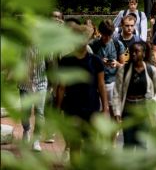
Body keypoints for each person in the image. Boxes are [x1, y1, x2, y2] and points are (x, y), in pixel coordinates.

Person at [56, 25, 108, 168]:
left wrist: (104, 110)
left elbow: (101, 86)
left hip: (91, 108)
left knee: (91, 144)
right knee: (75, 144)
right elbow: (62, 87)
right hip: (72, 108)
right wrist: (58, 109)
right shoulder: (66, 61)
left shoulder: (96, 61)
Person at [113, 42, 156, 152]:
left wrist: (154, 99)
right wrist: (117, 111)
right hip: (128, 110)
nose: (133, 54)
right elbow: (117, 93)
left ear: (143, 53)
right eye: (132, 51)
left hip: (144, 111)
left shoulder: (151, 70)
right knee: (128, 143)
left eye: (137, 51)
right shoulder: (123, 70)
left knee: (142, 143)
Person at [89, 19, 126, 138]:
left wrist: (116, 64)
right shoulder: (93, 44)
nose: (107, 38)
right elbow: (87, 65)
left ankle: (112, 140)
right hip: (96, 83)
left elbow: (123, 65)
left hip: (112, 82)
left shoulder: (117, 43)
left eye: (110, 35)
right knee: (99, 113)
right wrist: (99, 62)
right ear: (100, 33)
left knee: (114, 113)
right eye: (105, 35)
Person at [16, 44, 48, 152]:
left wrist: (51, 84)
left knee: (39, 113)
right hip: (25, 84)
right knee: (25, 112)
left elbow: (50, 63)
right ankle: (26, 129)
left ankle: (36, 141)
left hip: (41, 84)